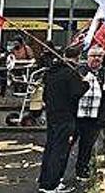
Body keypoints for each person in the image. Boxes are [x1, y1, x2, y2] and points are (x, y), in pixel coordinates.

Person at [38, 46, 89, 193]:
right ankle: (52, 185)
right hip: (66, 116)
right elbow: (77, 92)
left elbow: (45, 95)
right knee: (59, 151)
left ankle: (45, 181)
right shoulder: (70, 73)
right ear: (78, 57)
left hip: (52, 115)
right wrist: (86, 83)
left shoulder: (51, 73)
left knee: (50, 148)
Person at [74, 46, 105, 182]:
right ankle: (59, 172)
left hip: (95, 116)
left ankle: (82, 169)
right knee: (69, 144)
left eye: (99, 56)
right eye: (93, 55)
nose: (96, 59)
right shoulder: (80, 71)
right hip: (78, 114)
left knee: (87, 145)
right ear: (87, 57)